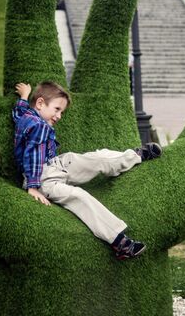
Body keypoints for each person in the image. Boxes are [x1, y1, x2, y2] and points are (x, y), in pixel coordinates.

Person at [13, 81, 163, 260]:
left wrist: (23, 96)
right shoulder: (39, 126)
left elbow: (18, 112)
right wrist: (33, 186)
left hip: (56, 164)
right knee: (79, 196)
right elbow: (34, 156)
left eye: (61, 111)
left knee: (94, 158)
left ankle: (136, 156)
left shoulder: (27, 116)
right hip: (44, 178)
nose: (59, 116)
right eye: (57, 109)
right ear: (40, 103)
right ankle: (119, 242)